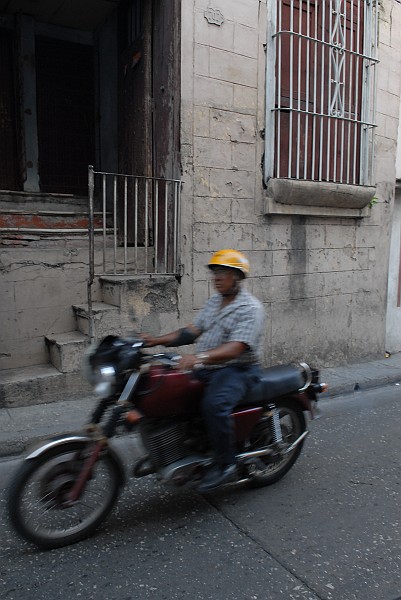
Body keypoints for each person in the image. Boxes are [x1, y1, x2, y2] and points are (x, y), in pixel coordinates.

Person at [140, 249, 265, 492]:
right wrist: (155, 341)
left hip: (238, 369)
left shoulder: (251, 308)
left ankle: (225, 463)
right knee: (171, 392)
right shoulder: (215, 301)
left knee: (214, 405)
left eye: (223, 272)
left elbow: (236, 348)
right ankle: (184, 448)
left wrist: (199, 357)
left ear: (237, 277)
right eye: (215, 272)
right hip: (209, 366)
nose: (217, 277)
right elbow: (192, 331)